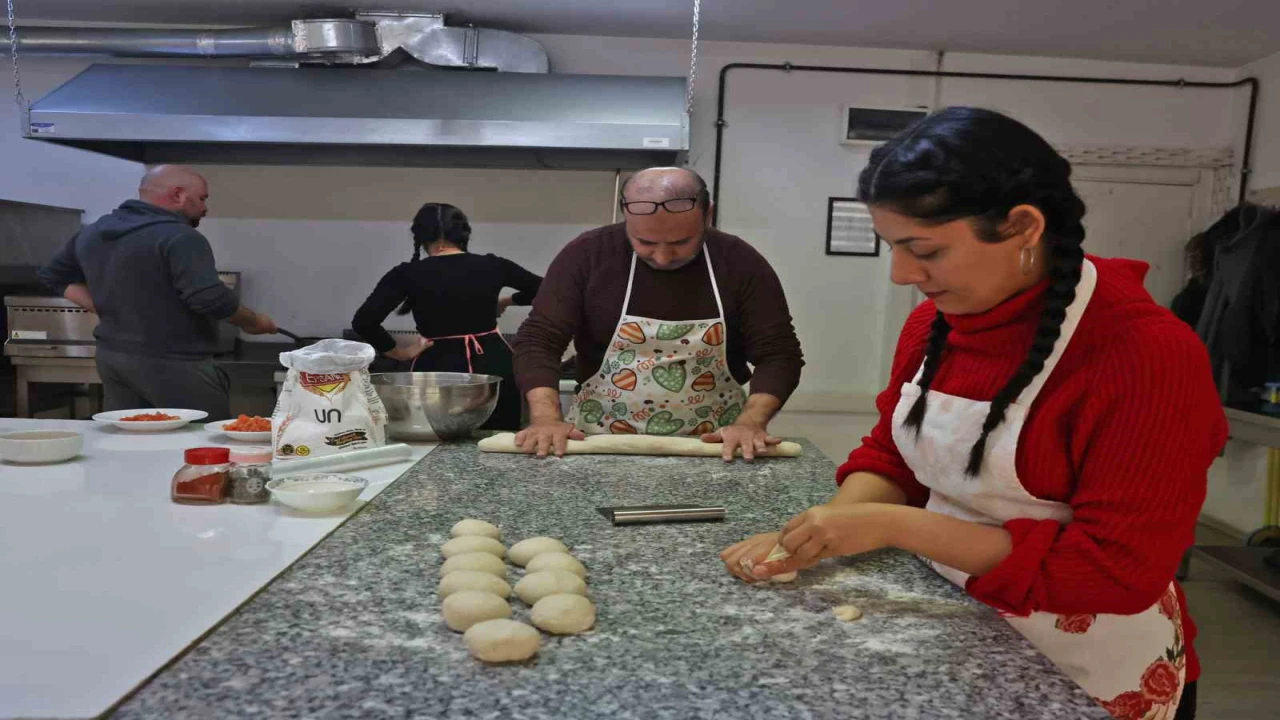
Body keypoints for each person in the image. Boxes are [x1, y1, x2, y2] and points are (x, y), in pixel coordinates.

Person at [721, 108, 1225, 720]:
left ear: (1022, 227)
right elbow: (894, 453)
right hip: (957, 626)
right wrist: (824, 529)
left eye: (924, 249)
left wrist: (891, 526)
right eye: (892, 247)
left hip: (1087, 663)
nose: (903, 275)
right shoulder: (937, 323)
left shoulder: (1145, 355)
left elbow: (1116, 571)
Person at [513, 167, 804, 461]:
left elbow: (779, 355)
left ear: (708, 215)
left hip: (715, 448)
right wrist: (546, 419)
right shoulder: (588, 255)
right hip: (596, 445)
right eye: (646, 243)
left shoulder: (741, 263)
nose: (663, 257)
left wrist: (750, 423)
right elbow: (539, 340)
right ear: (626, 216)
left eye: (680, 242)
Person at [39, 165, 278, 420]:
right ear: (177, 195)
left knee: (132, 440)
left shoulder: (93, 231)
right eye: (202, 198)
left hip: (114, 358)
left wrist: (104, 306)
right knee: (200, 444)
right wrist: (254, 322)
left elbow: (54, 276)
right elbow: (210, 299)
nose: (205, 208)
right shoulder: (180, 237)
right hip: (175, 363)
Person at [351, 202, 542, 431]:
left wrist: (399, 353)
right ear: (463, 233)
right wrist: (508, 300)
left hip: (437, 373)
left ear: (420, 236)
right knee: (497, 443)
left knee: (437, 446)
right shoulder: (493, 265)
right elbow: (548, 289)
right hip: (494, 368)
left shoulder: (407, 273)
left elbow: (364, 321)